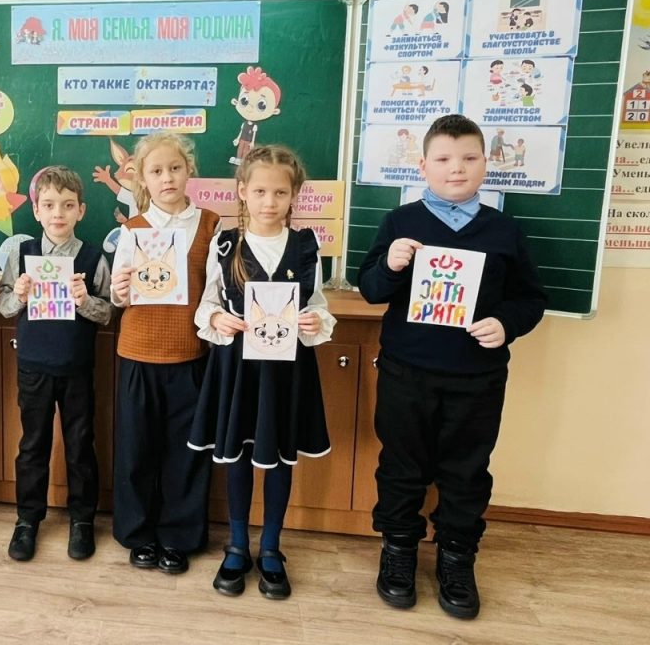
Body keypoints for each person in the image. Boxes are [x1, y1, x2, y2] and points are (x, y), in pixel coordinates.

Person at [357, 114, 547, 620]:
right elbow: (370, 289)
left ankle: (457, 556)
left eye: (468, 158)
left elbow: (530, 299)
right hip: (406, 372)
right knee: (402, 466)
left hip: (477, 378)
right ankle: (399, 549)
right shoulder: (401, 222)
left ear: (486, 164)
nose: (456, 168)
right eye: (442, 159)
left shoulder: (504, 230)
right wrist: (390, 263)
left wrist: (505, 323)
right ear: (423, 166)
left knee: (466, 471)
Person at [188, 145, 335, 599]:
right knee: (236, 455)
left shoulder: (306, 246)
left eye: (280, 192)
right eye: (260, 191)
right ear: (242, 192)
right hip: (237, 368)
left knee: (279, 456)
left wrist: (315, 322)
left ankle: (271, 546)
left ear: (294, 196)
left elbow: (318, 305)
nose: (269, 201)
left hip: (286, 372)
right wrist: (217, 319)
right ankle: (237, 544)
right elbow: (208, 304)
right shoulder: (225, 243)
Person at [110, 131, 220, 575]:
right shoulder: (132, 229)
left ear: (189, 169)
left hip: (189, 356)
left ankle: (178, 537)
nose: (167, 177)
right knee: (136, 451)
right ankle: (137, 534)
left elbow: (215, 290)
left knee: (185, 453)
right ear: (142, 178)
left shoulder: (211, 224)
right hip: (138, 353)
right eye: (156, 171)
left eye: (175, 168)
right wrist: (120, 290)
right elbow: (119, 296)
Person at [0, 166, 113, 562]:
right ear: (36, 210)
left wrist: (85, 301)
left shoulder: (93, 257)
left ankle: (82, 520)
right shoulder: (22, 254)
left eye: (67, 205)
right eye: (48, 205)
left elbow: (108, 312)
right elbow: (5, 304)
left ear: (81, 210)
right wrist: (20, 295)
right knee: (32, 445)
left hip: (77, 367)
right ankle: (27, 519)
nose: (57, 213)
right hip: (34, 366)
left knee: (80, 445)